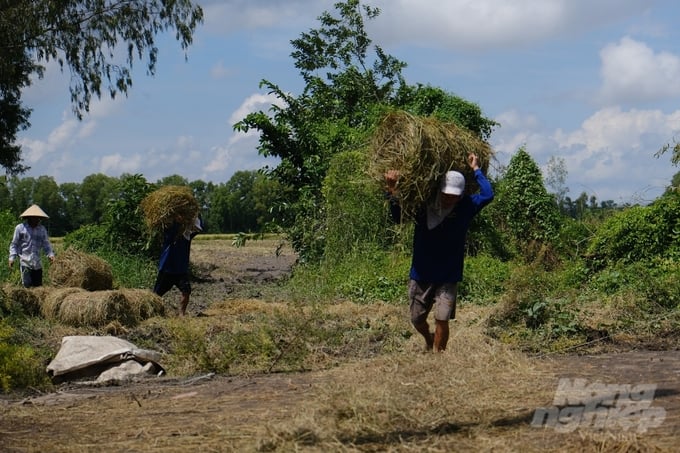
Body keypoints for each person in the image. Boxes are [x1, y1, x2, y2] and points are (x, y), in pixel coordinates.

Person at [385, 153, 494, 352]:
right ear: (439, 190)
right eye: (445, 194)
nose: (448, 199)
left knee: (442, 319)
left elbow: (488, 194)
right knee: (416, 319)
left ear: (460, 196)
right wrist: (392, 190)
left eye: (453, 196)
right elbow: (398, 217)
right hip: (421, 272)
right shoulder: (423, 204)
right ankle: (428, 338)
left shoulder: (466, 207)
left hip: (448, 274)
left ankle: (438, 358)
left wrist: (476, 169)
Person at [153, 215, 203, 316]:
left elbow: (198, 227)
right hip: (167, 269)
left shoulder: (186, 235)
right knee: (156, 295)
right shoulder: (169, 233)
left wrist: (197, 214)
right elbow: (168, 226)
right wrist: (176, 221)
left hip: (180, 270)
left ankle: (181, 314)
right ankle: (153, 312)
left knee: (186, 291)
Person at [8, 204, 56, 288]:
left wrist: (51, 255)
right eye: (34, 218)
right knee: (27, 287)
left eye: (38, 218)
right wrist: (12, 258)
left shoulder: (42, 229)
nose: (37, 220)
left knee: (38, 288)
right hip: (25, 262)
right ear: (29, 217)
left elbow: (46, 245)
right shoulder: (20, 228)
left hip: (37, 263)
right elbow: (14, 244)